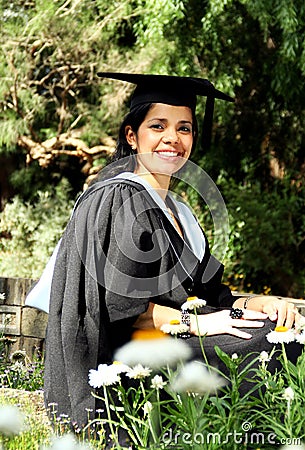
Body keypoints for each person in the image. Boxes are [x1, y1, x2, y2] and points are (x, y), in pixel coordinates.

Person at [44, 72, 302, 431]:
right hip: (122, 358)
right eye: (158, 126)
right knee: (266, 344)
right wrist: (201, 323)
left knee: (281, 327)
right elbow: (123, 310)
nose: (173, 139)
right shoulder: (118, 198)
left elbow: (210, 297)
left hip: (171, 337)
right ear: (132, 136)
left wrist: (259, 304)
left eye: (184, 128)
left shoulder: (178, 211)